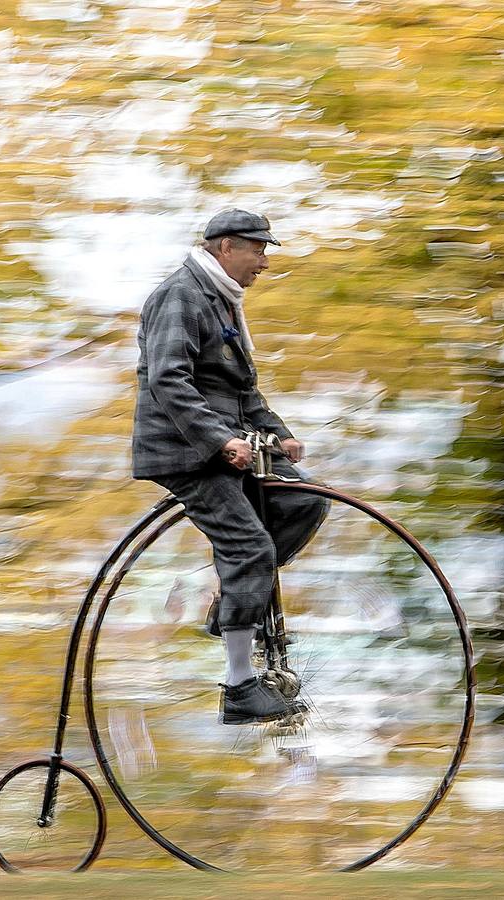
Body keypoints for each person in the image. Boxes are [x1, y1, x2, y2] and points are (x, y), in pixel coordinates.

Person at [132, 209, 328, 725]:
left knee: (304, 499)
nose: (263, 262)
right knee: (249, 546)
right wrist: (221, 442)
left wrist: (278, 431)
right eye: (258, 250)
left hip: (224, 445)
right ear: (226, 247)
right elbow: (168, 381)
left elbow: (240, 391)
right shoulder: (182, 294)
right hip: (188, 452)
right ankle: (240, 688)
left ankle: (235, 593)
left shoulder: (219, 299)